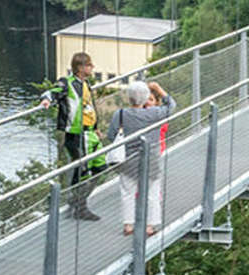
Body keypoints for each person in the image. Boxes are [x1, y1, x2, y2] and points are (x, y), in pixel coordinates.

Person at [104, 80, 175, 236]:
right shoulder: (155, 113)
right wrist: (158, 88)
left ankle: (128, 225)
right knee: (153, 193)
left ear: (129, 98)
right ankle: (150, 226)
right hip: (151, 159)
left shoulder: (121, 114)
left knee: (127, 192)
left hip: (128, 160)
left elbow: (111, 136)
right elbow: (171, 105)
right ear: (145, 98)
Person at [39, 51, 104, 220]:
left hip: (90, 133)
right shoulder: (67, 82)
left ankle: (77, 200)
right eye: (89, 65)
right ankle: (80, 207)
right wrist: (47, 99)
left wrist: (96, 126)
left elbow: (89, 107)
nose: (92, 67)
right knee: (81, 171)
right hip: (76, 135)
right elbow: (54, 91)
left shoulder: (86, 83)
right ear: (81, 67)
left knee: (100, 166)